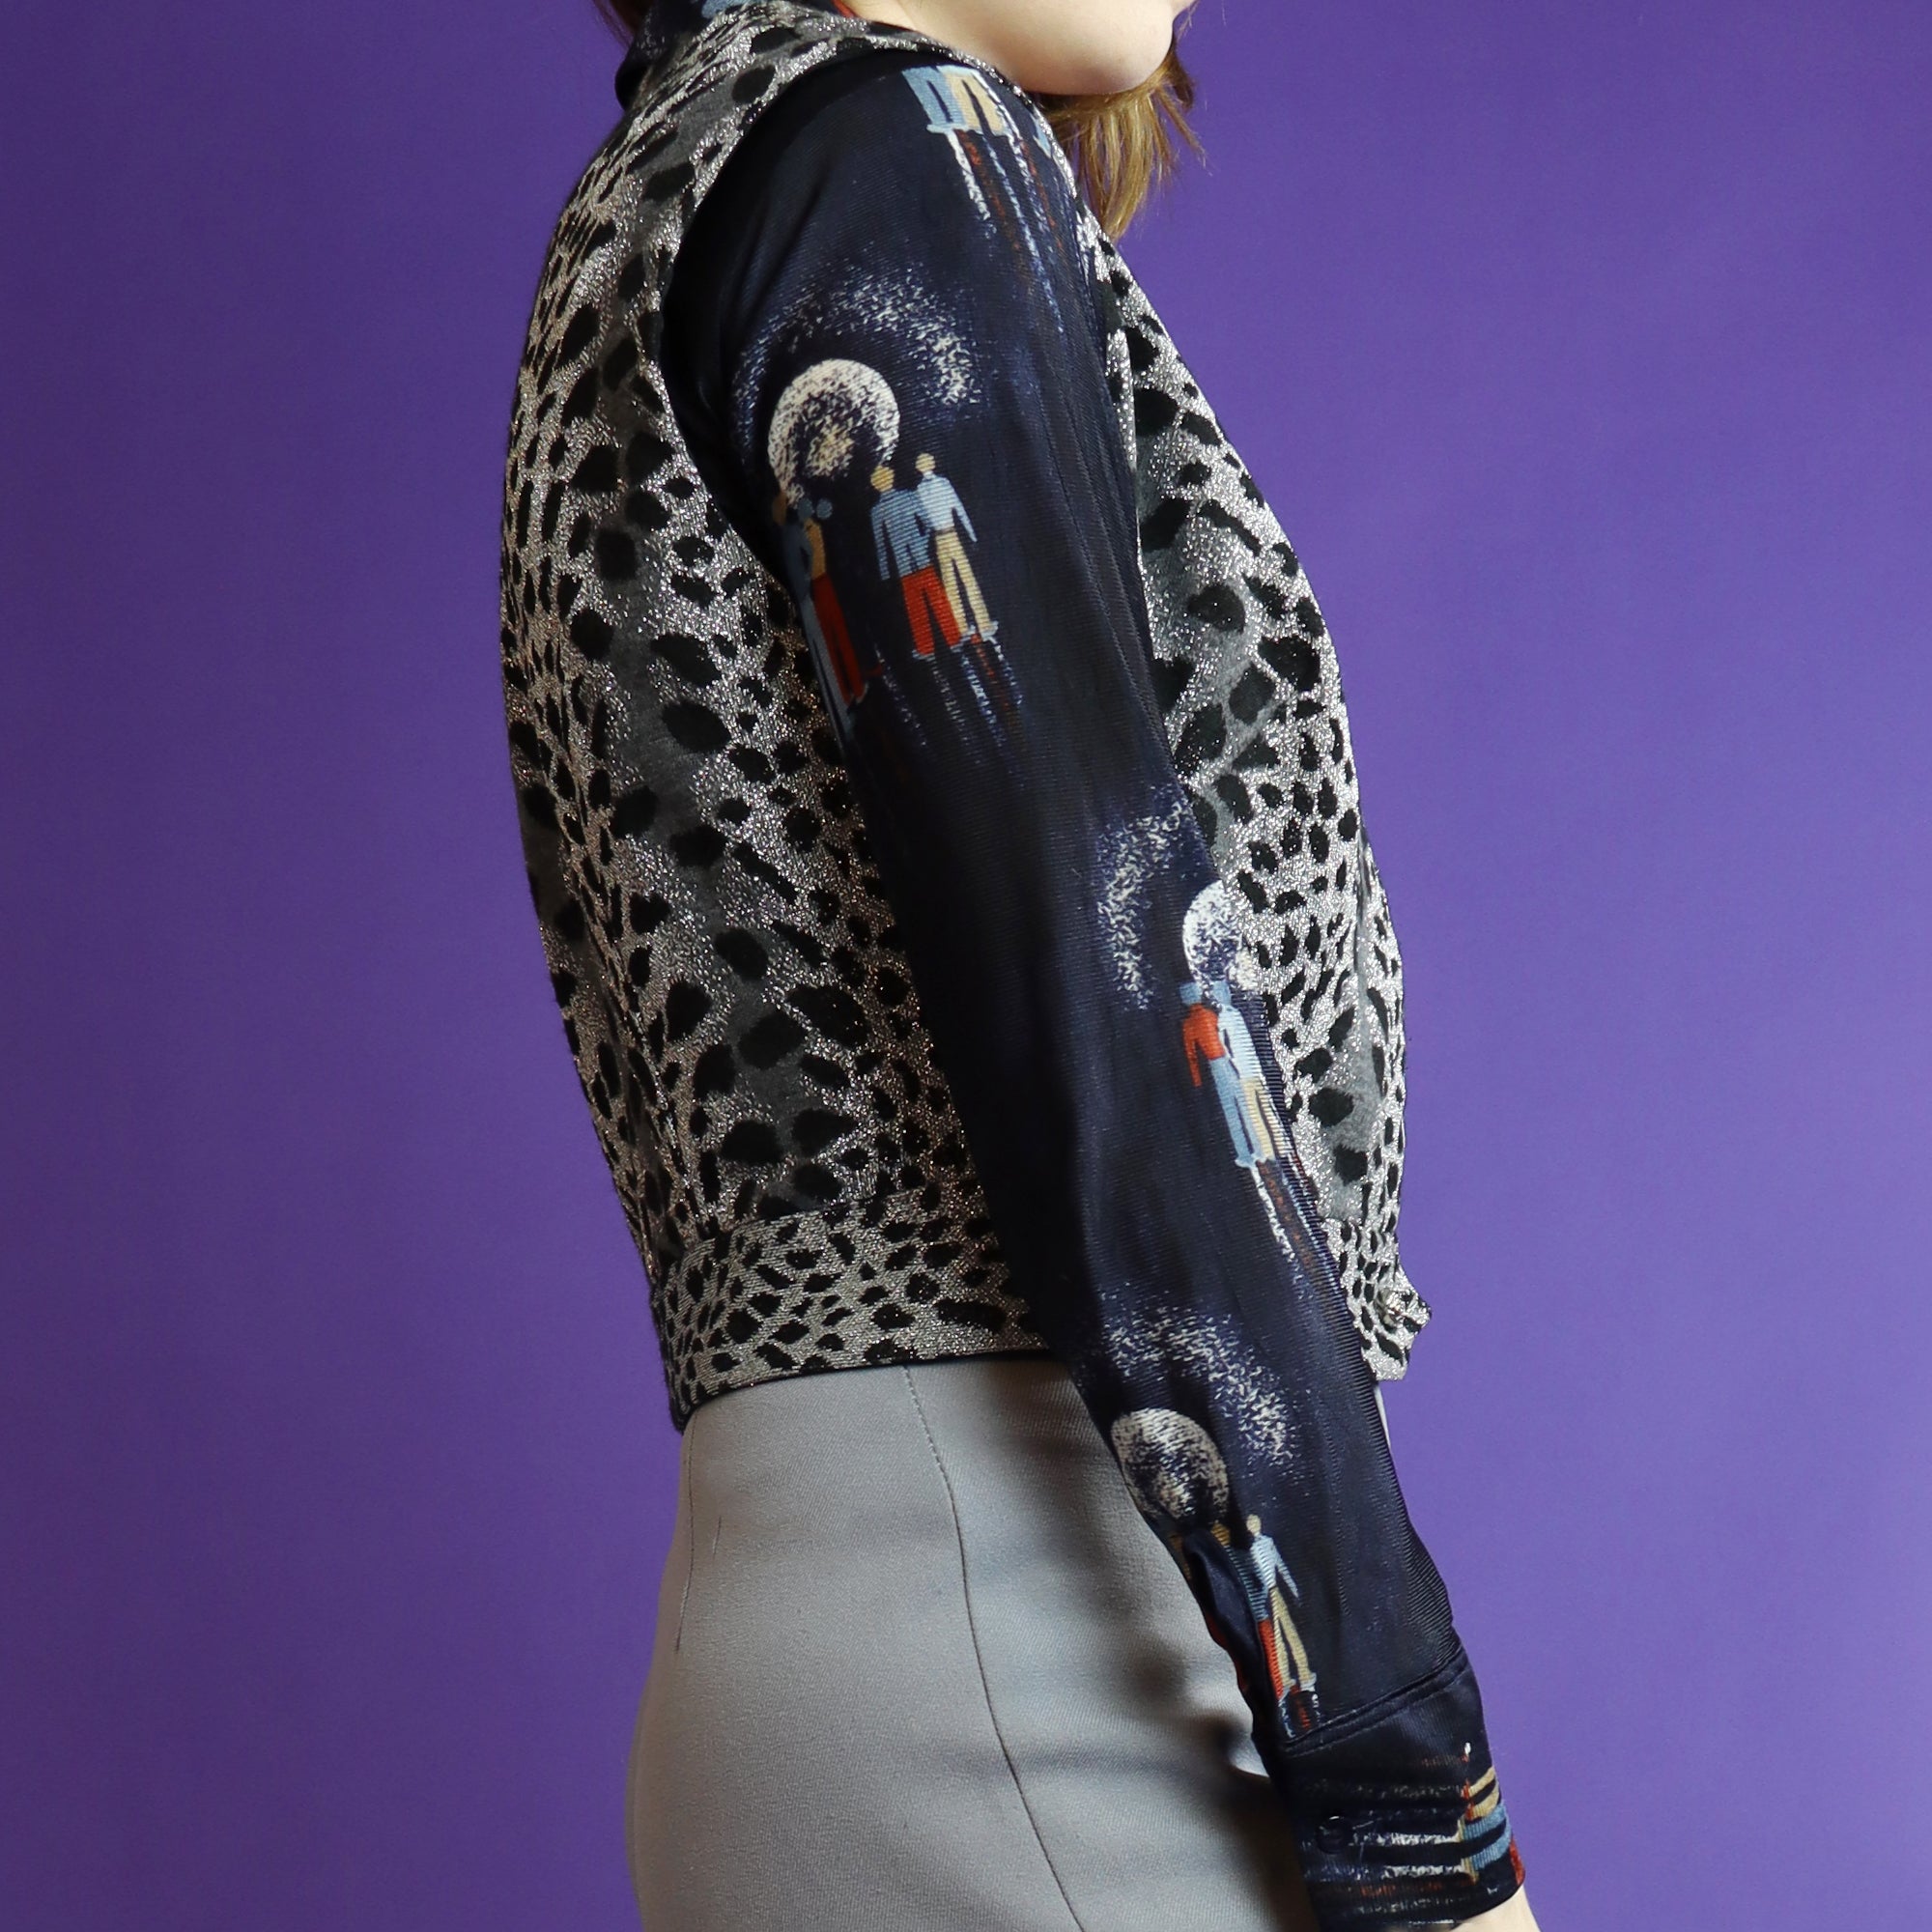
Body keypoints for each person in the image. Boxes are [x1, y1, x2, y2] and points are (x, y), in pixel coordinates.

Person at [499, 2, 1543, 1926]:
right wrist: (1419, 1805)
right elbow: (1124, 1009)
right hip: (1059, 1652)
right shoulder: (882, 160)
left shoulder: (664, 190)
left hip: (827, 1637)